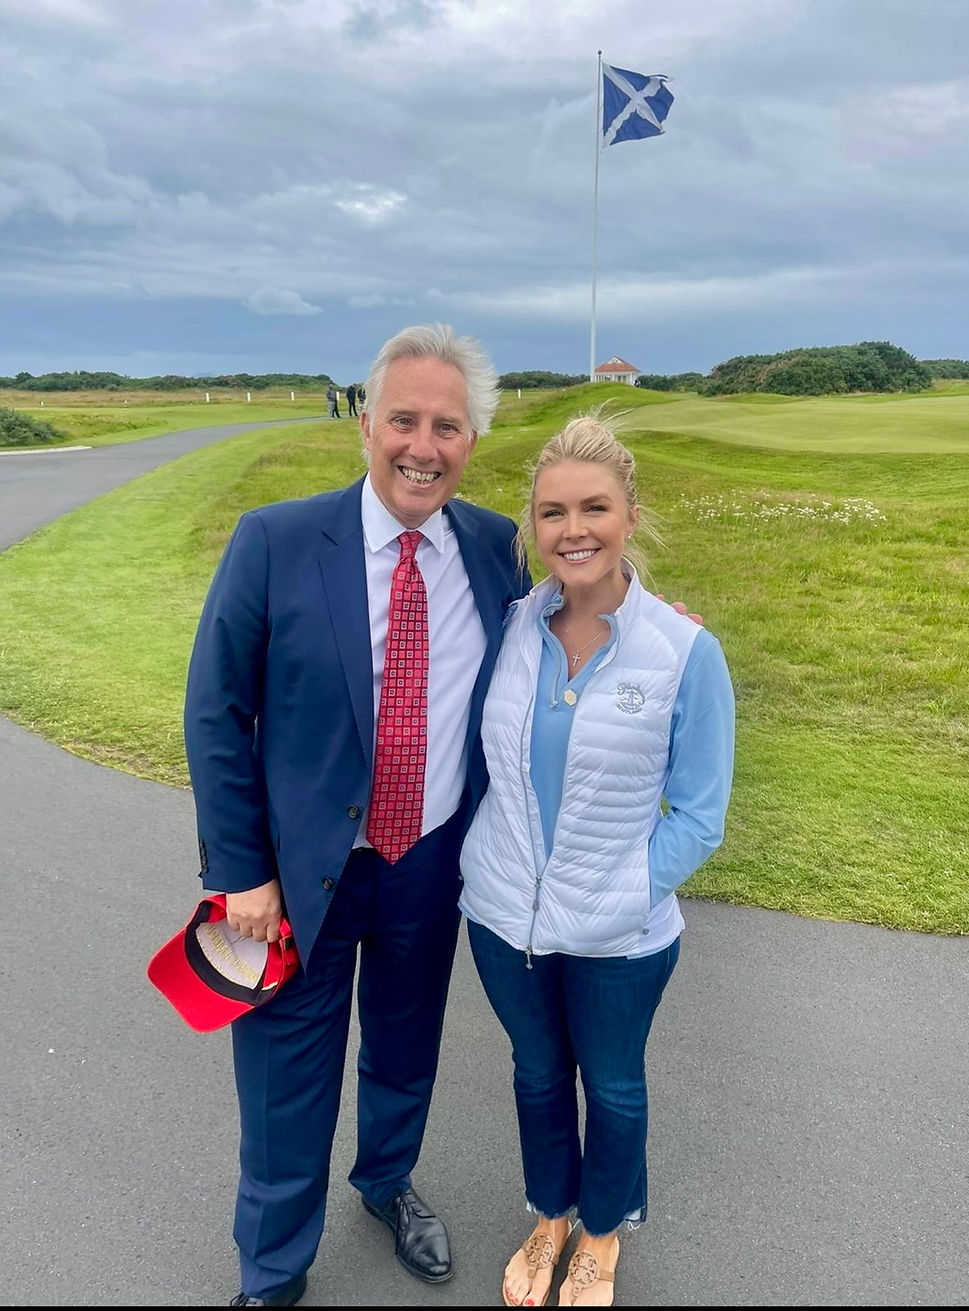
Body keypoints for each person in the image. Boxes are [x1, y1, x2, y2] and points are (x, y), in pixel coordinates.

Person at [183, 324, 531, 1306]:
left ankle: (385, 1183)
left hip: (429, 859)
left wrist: (651, 626)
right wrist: (239, 873)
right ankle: (273, 1268)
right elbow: (215, 709)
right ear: (366, 423)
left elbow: (563, 628)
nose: (424, 445)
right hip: (294, 876)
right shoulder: (277, 541)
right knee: (286, 1076)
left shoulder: (493, 547)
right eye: (405, 420)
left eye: (448, 427)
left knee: (405, 1043)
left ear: (472, 440)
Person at [459, 415, 735, 1307]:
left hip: (621, 929)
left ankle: (603, 1234)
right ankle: (550, 1214)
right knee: (537, 1072)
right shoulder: (506, 627)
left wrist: (626, 892)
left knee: (613, 1086)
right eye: (551, 512)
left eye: (593, 508)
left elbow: (699, 816)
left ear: (629, 514)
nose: (572, 529)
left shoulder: (686, 652)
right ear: (532, 526)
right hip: (505, 915)